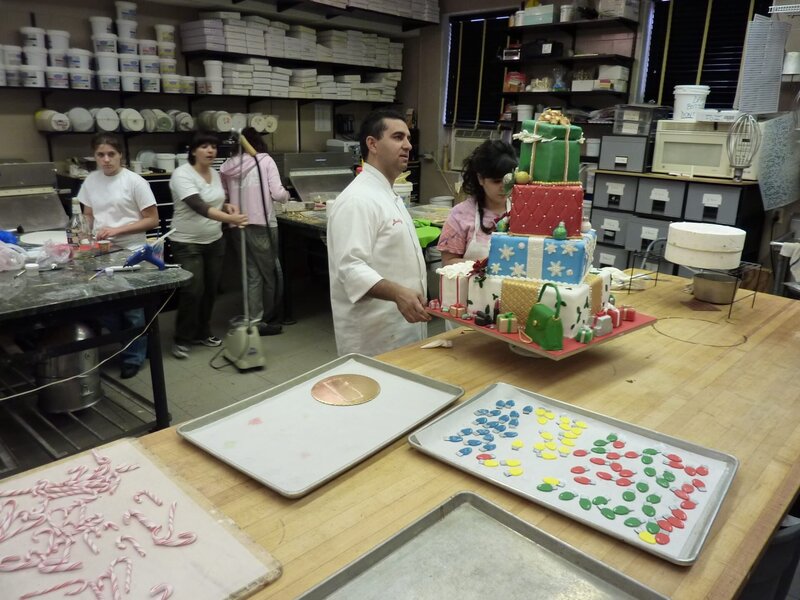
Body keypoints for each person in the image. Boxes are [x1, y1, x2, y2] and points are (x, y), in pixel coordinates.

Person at [327, 108, 430, 357]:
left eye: (408, 138)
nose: (408, 145)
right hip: (373, 336)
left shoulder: (387, 193)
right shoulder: (358, 200)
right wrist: (397, 293)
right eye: (397, 137)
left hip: (401, 326)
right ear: (372, 144)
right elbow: (350, 268)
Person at [78, 133, 160, 379]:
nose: (106, 159)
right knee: (104, 307)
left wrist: (117, 230)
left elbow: (152, 220)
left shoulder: (134, 182)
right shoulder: (91, 181)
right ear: (94, 156)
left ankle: (133, 357)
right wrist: (84, 236)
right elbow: (88, 214)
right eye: (100, 155)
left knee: (132, 310)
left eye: (111, 154)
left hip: (131, 251)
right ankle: (134, 343)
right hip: (101, 251)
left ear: (120, 155)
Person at [169, 132, 248, 359]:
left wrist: (227, 207)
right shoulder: (182, 175)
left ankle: (202, 332)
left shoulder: (213, 173)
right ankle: (182, 338)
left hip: (214, 240)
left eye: (213, 146)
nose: (210, 150)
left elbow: (214, 203)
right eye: (204, 146)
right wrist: (230, 219)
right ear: (193, 151)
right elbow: (199, 206)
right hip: (187, 242)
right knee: (193, 291)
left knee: (211, 290)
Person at [219, 127, 290, 336]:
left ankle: (255, 319)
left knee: (251, 274)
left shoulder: (226, 166)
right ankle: (271, 316)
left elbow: (223, 196)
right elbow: (277, 194)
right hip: (262, 224)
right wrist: (287, 195)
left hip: (237, 224)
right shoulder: (265, 161)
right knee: (269, 273)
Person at [436, 140, 517, 267]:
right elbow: (448, 262)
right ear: (480, 179)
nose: (503, 187)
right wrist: (486, 266)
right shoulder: (460, 215)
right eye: (496, 181)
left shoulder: (521, 212)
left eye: (508, 181)